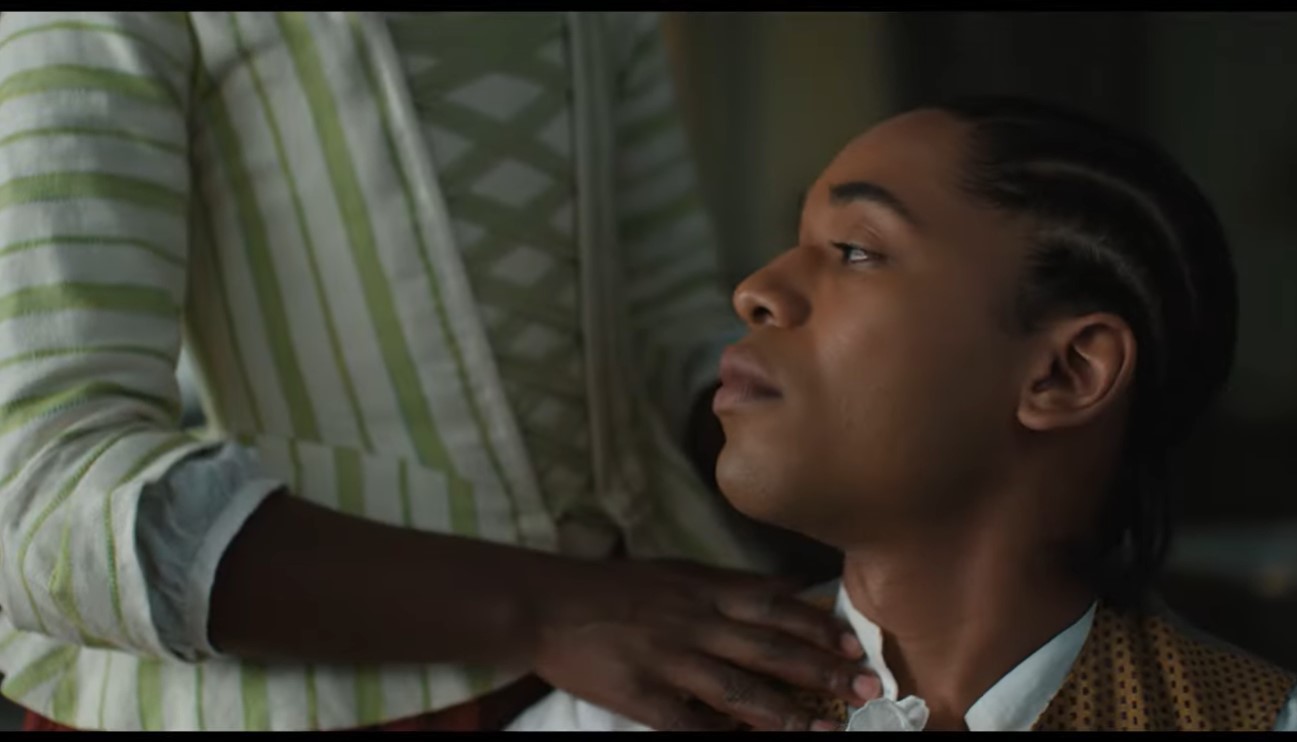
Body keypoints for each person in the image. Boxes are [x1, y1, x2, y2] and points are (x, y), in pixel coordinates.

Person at [0, 11, 870, 732]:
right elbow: (39, 498)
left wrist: (899, 483)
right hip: (282, 697)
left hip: (640, 660)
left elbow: (666, 340)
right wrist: (555, 608)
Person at [507, 95, 1297, 731]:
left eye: (854, 251)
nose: (755, 291)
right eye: (795, 242)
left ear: (1064, 373)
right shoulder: (631, 716)